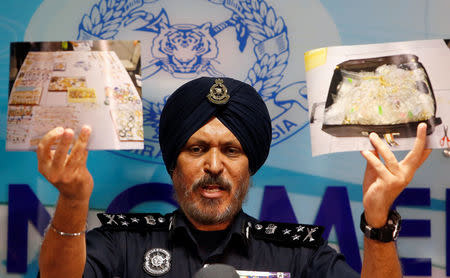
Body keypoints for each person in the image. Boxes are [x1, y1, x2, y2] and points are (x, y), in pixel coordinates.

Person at [37, 77, 431, 278]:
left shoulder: (300, 255)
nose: (213, 165)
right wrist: (72, 201)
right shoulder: (120, 243)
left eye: (231, 150)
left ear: (250, 165)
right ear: (174, 164)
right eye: (196, 148)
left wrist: (378, 222)